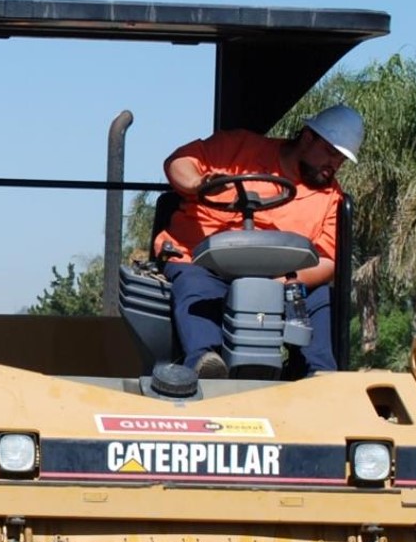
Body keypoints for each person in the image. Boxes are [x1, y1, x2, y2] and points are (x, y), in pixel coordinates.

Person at [153, 104, 364, 377]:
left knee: (317, 294)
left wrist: (281, 285)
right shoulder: (238, 149)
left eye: (341, 160)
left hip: (282, 276)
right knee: (194, 286)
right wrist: (198, 183)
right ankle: (205, 362)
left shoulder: (331, 197)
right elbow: (178, 162)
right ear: (308, 137)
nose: (333, 165)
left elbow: (327, 260)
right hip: (203, 262)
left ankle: (319, 374)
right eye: (331, 153)